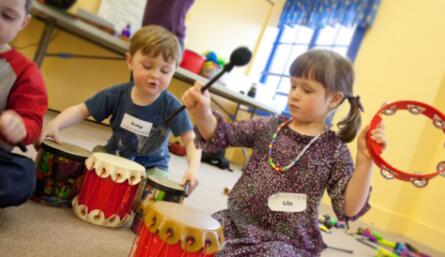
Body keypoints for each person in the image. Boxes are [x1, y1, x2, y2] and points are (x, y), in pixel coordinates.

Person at [182, 49, 386, 257]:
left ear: (334, 99)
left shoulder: (334, 150)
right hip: (236, 222)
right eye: (293, 86)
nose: (295, 94)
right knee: (197, 240)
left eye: (307, 90)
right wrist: (203, 112)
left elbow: (349, 208)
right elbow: (221, 135)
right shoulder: (270, 126)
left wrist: (365, 162)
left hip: (287, 242)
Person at [41, 25, 200, 192]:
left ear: (174, 71)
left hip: (151, 167)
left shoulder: (172, 105)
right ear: (130, 61)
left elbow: (191, 140)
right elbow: (81, 110)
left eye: (165, 70)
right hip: (114, 155)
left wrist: (193, 169)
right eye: (147, 66)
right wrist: (55, 124)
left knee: (152, 195)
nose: (155, 75)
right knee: (90, 165)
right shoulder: (117, 94)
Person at [0, 0, 48, 208]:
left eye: (7, 16)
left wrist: (20, 127)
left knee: (23, 175)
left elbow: (32, 121)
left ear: (22, 23)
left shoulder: (24, 70)